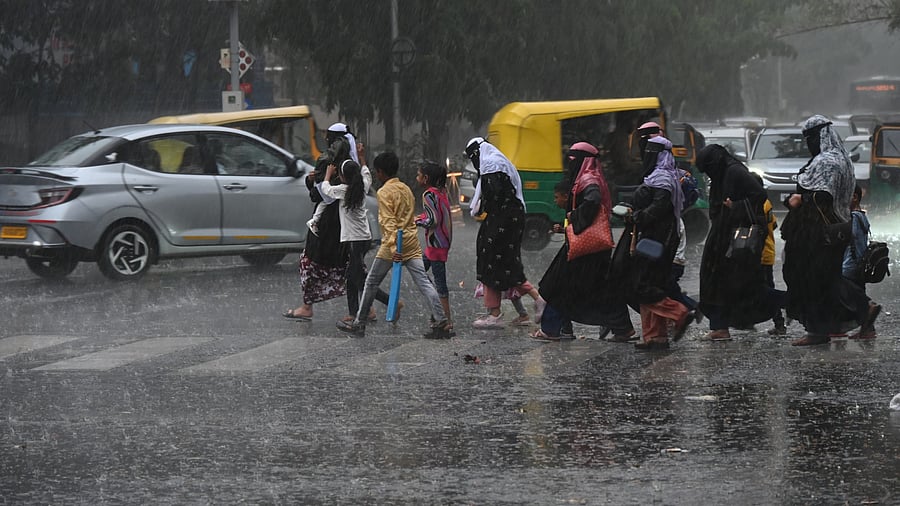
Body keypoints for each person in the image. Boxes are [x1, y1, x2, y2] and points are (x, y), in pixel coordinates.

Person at [337, 151, 450, 339]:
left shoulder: (383, 192)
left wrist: (393, 249)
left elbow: (388, 223)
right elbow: (409, 217)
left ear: (380, 172)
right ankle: (441, 320)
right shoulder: (405, 188)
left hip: (393, 245)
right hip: (411, 243)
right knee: (424, 282)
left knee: (371, 282)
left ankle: (359, 323)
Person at [535, 142, 634, 341]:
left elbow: (592, 202)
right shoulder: (592, 178)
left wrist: (575, 217)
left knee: (559, 284)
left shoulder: (588, 179)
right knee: (599, 289)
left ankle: (553, 329)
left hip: (586, 245)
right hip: (591, 245)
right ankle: (622, 328)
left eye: (573, 160)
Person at [609, 136, 691, 350]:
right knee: (650, 283)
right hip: (654, 236)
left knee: (643, 284)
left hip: (657, 239)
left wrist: (636, 216)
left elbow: (659, 207)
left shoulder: (663, 179)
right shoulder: (660, 176)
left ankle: (678, 312)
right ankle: (655, 337)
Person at [781, 115, 857, 346]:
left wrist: (799, 199)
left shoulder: (826, 162)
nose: (809, 144)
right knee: (826, 281)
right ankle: (824, 327)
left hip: (817, 232)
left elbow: (823, 196)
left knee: (811, 280)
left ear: (819, 136)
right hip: (836, 227)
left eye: (811, 138)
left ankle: (819, 330)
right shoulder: (842, 159)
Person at [466, 137, 546, 330]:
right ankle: (537, 299)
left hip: (502, 217)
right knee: (508, 262)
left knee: (491, 260)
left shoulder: (491, 164)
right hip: (510, 217)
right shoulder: (496, 160)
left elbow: (495, 194)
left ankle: (495, 314)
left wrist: (481, 206)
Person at [694, 144, 772, 341]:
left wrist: (735, 206)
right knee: (717, 282)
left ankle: (793, 304)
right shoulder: (723, 174)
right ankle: (719, 327)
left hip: (735, 238)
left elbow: (759, 195)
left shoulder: (735, 171)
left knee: (743, 286)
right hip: (721, 235)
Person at [282, 127, 356, 321]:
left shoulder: (329, 165)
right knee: (349, 267)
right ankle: (366, 306)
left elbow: (319, 195)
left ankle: (307, 306)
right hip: (342, 224)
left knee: (311, 262)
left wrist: (313, 180)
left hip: (325, 225)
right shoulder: (350, 166)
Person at [319, 159, 390, 323]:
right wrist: (363, 158)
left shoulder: (343, 190)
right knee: (352, 276)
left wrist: (328, 175)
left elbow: (326, 190)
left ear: (343, 177)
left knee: (359, 278)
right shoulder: (361, 187)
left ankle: (388, 302)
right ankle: (354, 312)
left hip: (354, 241)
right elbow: (367, 175)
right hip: (364, 239)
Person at [415, 161, 453, 330]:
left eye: (418, 174)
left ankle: (446, 319)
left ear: (426, 178)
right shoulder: (441, 192)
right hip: (440, 242)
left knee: (439, 282)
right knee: (420, 272)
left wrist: (417, 221)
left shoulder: (428, 195)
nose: (417, 177)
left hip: (436, 243)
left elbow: (433, 220)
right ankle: (438, 313)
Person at [840, 185, 881, 339]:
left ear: (855, 197)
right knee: (856, 294)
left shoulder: (854, 217)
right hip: (859, 263)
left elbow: (852, 238)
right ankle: (868, 330)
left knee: (851, 295)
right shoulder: (862, 215)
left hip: (850, 263)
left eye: (846, 197)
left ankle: (869, 306)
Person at [307, 123, 360, 236]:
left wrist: (322, 179)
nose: (326, 139)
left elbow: (317, 194)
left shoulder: (338, 186)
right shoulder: (355, 181)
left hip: (332, 224)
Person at [754, 173, 787, 336]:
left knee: (766, 290)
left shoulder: (757, 204)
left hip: (761, 254)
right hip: (768, 252)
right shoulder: (766, 202)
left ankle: (787, 310)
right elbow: (773, 225)